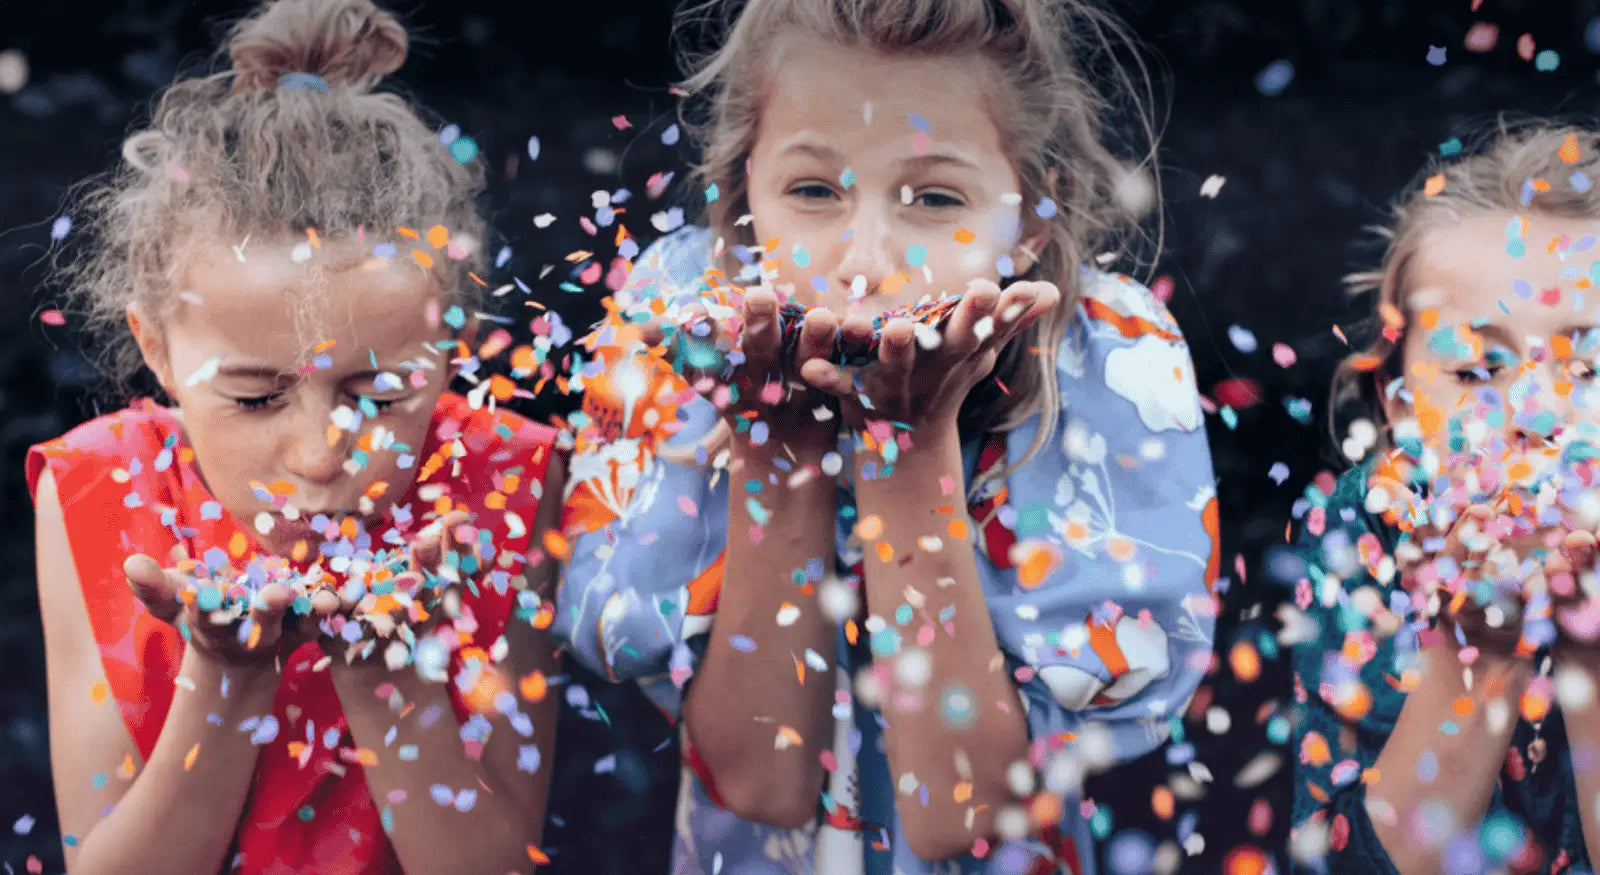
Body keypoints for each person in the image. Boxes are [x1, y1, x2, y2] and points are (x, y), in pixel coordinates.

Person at [555, 0, 1220, 871]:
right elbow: (762, 784)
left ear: (1030, 220)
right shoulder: (674, 318)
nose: (864, 259)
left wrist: (908, 450)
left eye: (935, 198)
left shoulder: (1109, 357)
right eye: (813, 191)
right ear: (741, 196)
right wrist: (775, 446)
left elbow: (963, 816)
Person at [29, 1, 564, 871]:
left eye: (380, 394)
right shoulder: (93, 488)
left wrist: (385, 675)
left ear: (447, 348)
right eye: (253, 398)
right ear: (156, 348)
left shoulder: (504, 479)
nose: (321, 454)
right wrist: (227, 680)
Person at [1288, 121, 1600, 874]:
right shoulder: (1360, 536)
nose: (1530, 411)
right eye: (1475, 371)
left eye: (1588, 367)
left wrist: (1589, 651)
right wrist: (1482, 656)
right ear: (1395, 403)